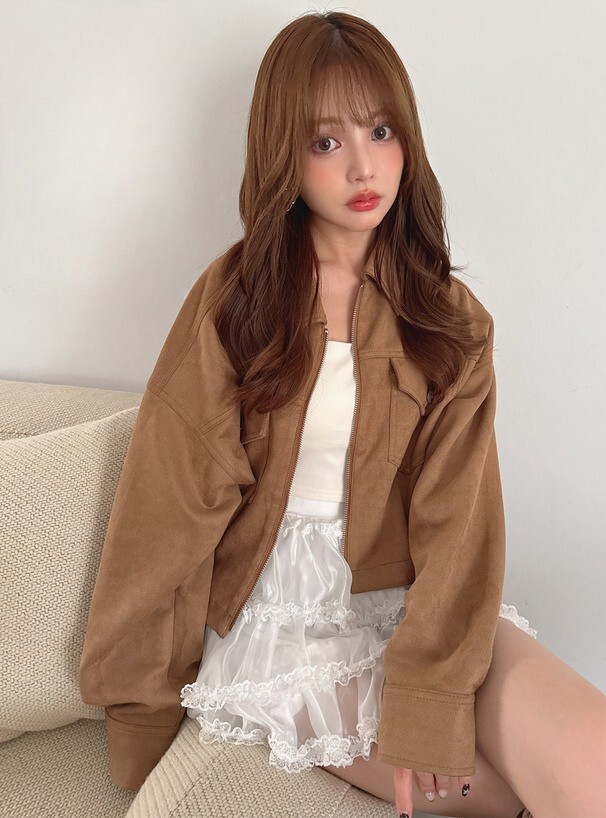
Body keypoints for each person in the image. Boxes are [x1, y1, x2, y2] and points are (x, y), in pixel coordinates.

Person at [78, 10, 606, 818]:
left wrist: (431, 698)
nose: (364, 165)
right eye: (326, 141)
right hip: (278, 623)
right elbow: (166, 514)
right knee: (492, 799)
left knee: (590, 759)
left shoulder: (451, 321)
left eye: (381, 131)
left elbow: (458, 527)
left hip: (414, 606)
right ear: (282, 156)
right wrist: (141, 712)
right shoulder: (236, 306)